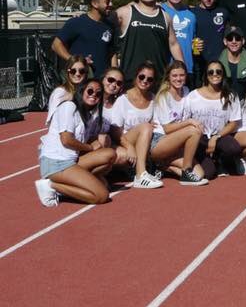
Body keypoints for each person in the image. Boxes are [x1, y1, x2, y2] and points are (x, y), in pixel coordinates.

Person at [34, 78, 117, 207]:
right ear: (81, 91)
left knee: (109, 154)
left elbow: (84, 139)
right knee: (102, 195)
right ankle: (51, 185)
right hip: (56, 163)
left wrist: (98, 142)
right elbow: (66, 140)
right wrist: (90, 147)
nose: (94, 94)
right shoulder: (69, 106)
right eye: (90, 91)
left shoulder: (87, 115)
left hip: (71, 161)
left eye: (98, 93)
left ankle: (75, 183)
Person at [116, 0, 184, 81]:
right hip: (130, 77)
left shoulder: (165, 17)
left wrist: (181, 68)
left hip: (158, 77)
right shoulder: (125, 12)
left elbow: (173, 44)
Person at [151, 61, 208, 185]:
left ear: (186, 76)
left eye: (181, 75)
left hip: (177, 142)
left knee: (200, 174)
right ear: (168, 77)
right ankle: (186, 172)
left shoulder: (187, 91)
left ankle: (163, 166)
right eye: (175, 76)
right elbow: (167, 129)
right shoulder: (163, 96)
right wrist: (189, 122)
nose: (178, 79)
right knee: (194, 130)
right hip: (159, 141)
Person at [183, 60, 244, 175]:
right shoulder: (193, 96)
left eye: (218, 71)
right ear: (206, 75)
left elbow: (234, 122)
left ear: (223, 74)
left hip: (219, 136)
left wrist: (216, 137)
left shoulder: (231, 96)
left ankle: (221, 160)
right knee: (208, 173)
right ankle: (206, 160)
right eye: (211, 72)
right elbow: (186, 120)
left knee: (233, 148)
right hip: (199, 138)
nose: (215, 74)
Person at [113, 61, 161, 189]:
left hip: (145, 140)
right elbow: (115, 131)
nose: (145, 81)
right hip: (124, 140)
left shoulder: (153, 99)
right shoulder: (123, 99)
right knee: (146, 126)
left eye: (149, 79)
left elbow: (156, 124)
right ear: (136, 76)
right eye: (142, 77)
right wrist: (129, 147)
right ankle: (140, 175)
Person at [52, 0, 115, 77]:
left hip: (102, 82)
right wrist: (75, 60)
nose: (111, 4)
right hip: (80, 80)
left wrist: (114, 73)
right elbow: (56, 45)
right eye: (107, 2)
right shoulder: (76, 22)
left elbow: (112, 52)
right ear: (94, 3)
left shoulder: (110, 26)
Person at [193, 0, 231, 78]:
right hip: (198, 61)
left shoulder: (223, 12)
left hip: (220, 61)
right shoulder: (192, 13)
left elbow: (229, 33)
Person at [161, 0, 197, 75]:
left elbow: (192, 40)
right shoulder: (159, 11)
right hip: (165, 68)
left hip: (187, 67)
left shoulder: (191, 15)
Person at [46, 55, 89, 123]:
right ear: (67, 72)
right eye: (73, 71)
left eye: (82, 71)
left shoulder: (88, 92)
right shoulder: (60, 92)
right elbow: (51, 119)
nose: (77, 74)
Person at [220, 25, 246, 98]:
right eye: (230, 39)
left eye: (237, 39)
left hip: (245, 104)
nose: (234, 41)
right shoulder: (217, 63)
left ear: (243, 41)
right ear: (225, 41)